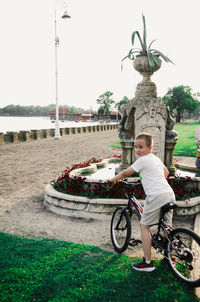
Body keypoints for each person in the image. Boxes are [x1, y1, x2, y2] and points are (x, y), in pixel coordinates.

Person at [107, 132, 176, 272]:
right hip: (169, 193)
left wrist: (112, 180)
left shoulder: (142, 160)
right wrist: (152, 177)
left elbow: (126, 172)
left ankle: (147, 263)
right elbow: (166, 173)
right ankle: (171, 254)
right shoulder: (155, 158)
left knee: (144, 226)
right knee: (166, 227)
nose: (138, 150)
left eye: (141, 147)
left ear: (149, 148)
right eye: (136, 147)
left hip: (156, 195)